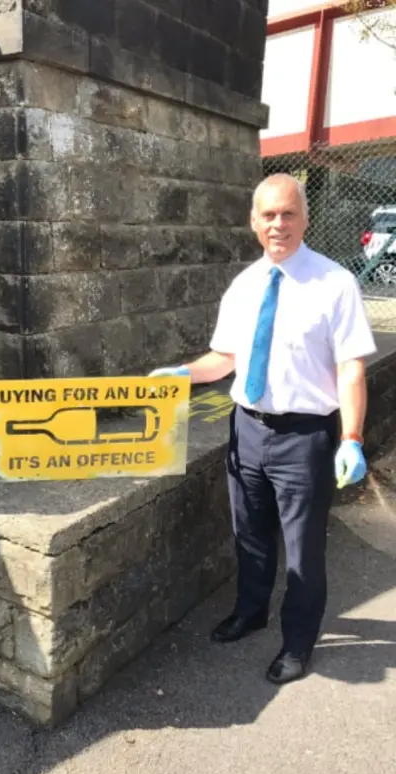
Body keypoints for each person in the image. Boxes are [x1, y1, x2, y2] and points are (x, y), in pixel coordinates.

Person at [149, 173, 376, 685]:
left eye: (288, 213)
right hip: (247, 429)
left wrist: (352, 438)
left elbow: (351, 369)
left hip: (305, 436)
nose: (278, 224)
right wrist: (184, 374)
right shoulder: (245, 284)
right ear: (253, 222)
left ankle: (298, 643)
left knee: (303, 550)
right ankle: (250, 612)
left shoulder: (335, 283)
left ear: (305, 218)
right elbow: (225, 358)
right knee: (249, 533)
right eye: (268, 215)